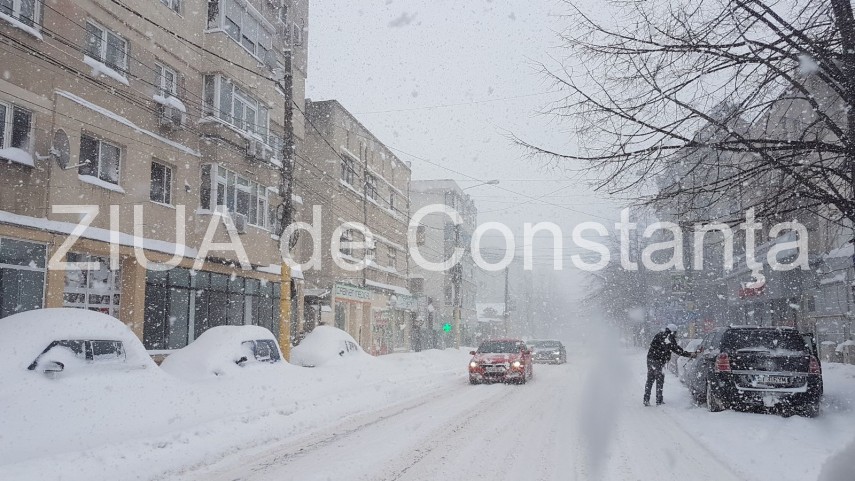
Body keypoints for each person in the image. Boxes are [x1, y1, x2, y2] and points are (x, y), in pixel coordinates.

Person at [643, 324, 695, 406]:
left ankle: (646, 399)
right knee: (660, 380)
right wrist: (690, 354)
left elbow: (654, 346)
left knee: (650, 379)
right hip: (659, 361)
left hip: (651, 359)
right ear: (672, 331)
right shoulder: (669, 338)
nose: (676, 334)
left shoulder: (659, 335)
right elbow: (677, 350)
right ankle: (659, 400)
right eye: (675, 332)